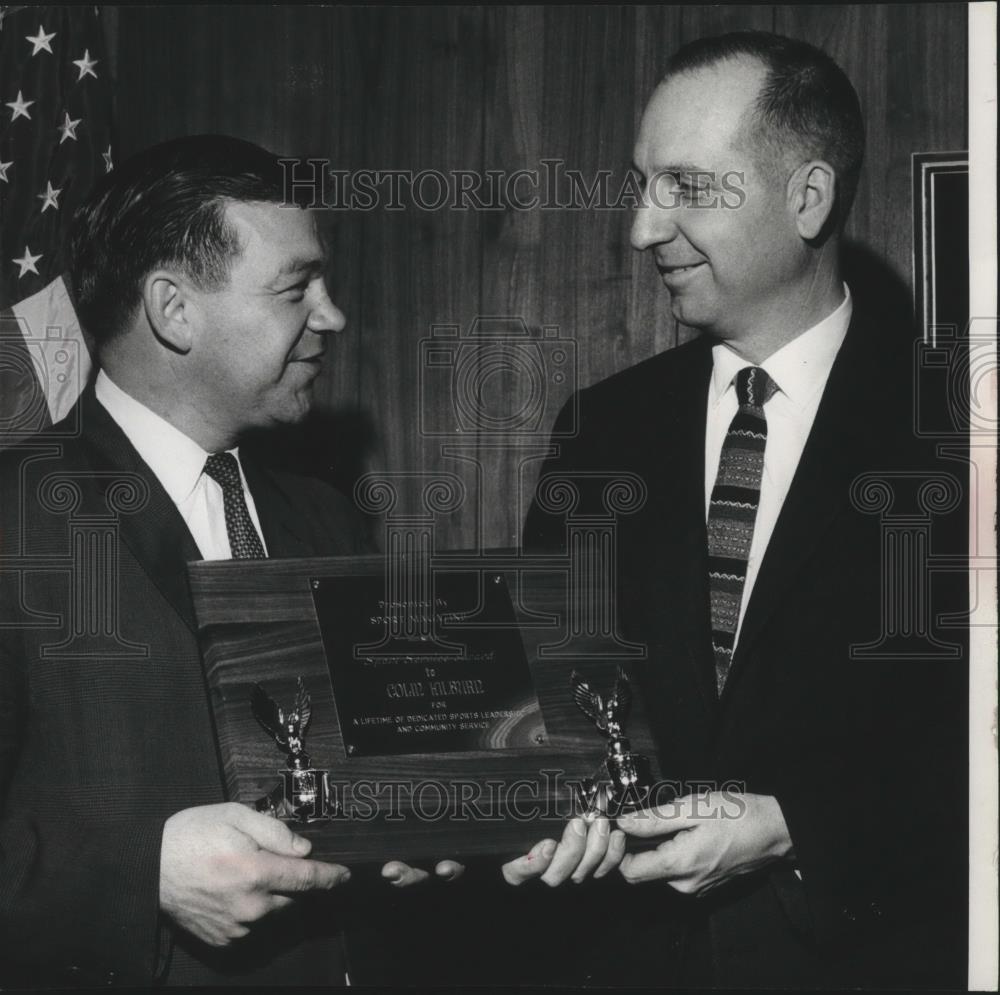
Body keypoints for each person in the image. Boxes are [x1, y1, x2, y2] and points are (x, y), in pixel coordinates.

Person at [506, 31, 968, 988]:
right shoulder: (600, 429)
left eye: (685, 186)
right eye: (643, 184)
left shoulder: (958, 433)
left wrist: (799, 824)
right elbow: (549, 694)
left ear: (807, 196)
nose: (642, 228)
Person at [0, 135, 457, 987]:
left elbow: (380, 772)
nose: (332, 316)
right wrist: (143, 872)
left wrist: (433, 830)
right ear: (174, 310)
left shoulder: (325, 516)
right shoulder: (16, 513)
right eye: (296, 289)